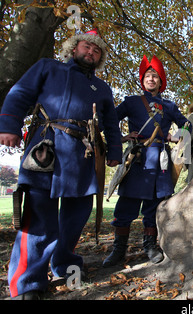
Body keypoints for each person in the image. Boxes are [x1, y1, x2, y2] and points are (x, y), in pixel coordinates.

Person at [0, 29, 122, 299]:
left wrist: (115, 150)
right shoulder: (48, 67)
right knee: (38, 214)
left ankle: (64, 264)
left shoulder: (102, 88)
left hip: (83, 155)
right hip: (46, 148)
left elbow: (111, 124)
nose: (90, 52)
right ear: (73, 47)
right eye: (86, 46)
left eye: (97, 50)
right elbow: (20, 94)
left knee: (76, 215)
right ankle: (27, 284)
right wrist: (9, 125)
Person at [102, 55, 191, 267]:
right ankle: (118, 249)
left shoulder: (169, 105)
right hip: (137, 157)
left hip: (159, 159)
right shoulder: (132, 101)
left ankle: (150, 245)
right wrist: (122, 137)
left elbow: (186, 124)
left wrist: (174, 136)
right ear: (142, 80)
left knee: (154, 205)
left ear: (161, 82)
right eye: (148, 76)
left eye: (155, 76)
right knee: (126, 203)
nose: (151, 79)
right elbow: (110, 120)